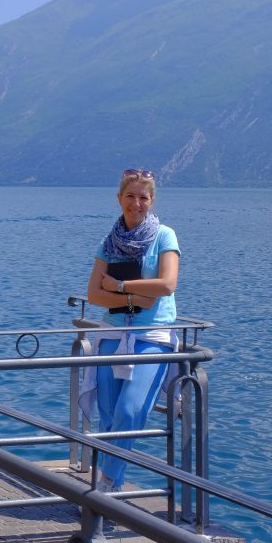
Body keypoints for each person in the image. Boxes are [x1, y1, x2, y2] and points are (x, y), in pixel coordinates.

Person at [84, 168, 180, 493]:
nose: (136, 203)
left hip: (152, 337)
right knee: (109, 416)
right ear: (119, 198)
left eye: (143, 197)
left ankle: (106, 484)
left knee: (130, 409)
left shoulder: (165, 236)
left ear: (152, 201)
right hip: (113, 333)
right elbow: (94, 294)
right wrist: (138, 296)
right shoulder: (108, 242)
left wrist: (122, 285)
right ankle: (116, 490)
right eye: (130, 196)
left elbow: (166, 285)